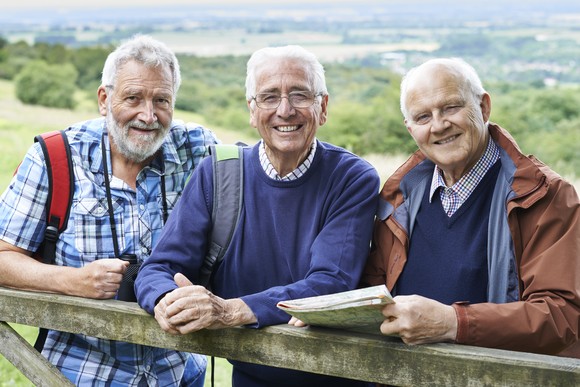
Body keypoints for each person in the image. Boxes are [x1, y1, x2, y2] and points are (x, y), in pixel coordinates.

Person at [135, 45, 380, 386]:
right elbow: (159, 268)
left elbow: (330, 283)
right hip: (251, 376)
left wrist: (230, 311)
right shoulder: (219, 174)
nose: (285, 110)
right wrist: (166, 300)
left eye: (300, 95)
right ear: (252, 111)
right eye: (268, 97)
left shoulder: (351, 178)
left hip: (334, 375)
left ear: (322, 108)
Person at [0, 35, 218, 385]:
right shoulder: (56, 157)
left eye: (162, 100)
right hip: (77, 374)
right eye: (133, 98)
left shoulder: (200, 149)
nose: (148, 116)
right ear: (104, 99)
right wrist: (74, 281)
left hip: (178, 373)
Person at [361, 57, 580, 358]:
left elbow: (562, 317)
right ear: (410, 129)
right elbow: (373, 289)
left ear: (484, 107)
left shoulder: (545, 197)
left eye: (451, 107)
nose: (439, 125)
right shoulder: (398, 197)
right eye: (423, 117)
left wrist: (454, 323)